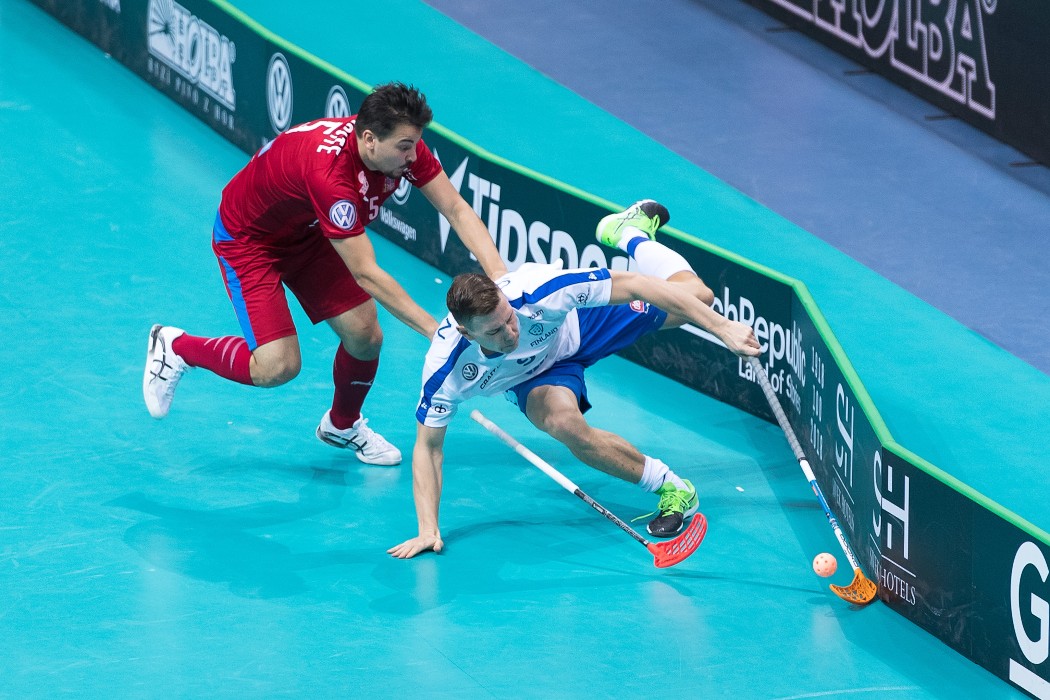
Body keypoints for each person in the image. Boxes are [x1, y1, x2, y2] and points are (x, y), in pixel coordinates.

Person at [142, 82, 506, 465]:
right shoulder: (330, 175)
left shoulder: (398, 147)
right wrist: (437, 332)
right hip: (250, 239)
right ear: (370, 139)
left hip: (309, 231)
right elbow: (366, 273)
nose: (413, 156)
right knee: (277, 366)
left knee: (365, 335)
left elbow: (456, 210)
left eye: (415, 144)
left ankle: (341, 426)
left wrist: (502, 279)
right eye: (404, 147)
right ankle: (176, 347)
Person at [388, 200, 762, 559]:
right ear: (467, 333)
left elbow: (635, 284)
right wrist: (428, 529)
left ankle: (630, 234)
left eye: (509, 319)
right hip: (533, 378)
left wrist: (722, 327)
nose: (511, 333)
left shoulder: (540, 291)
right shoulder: (447, 370)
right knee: (565, 425)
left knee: (699, 298)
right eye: (495, 332)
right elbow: (428, 449)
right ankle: (672, 487)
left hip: (576, 328)